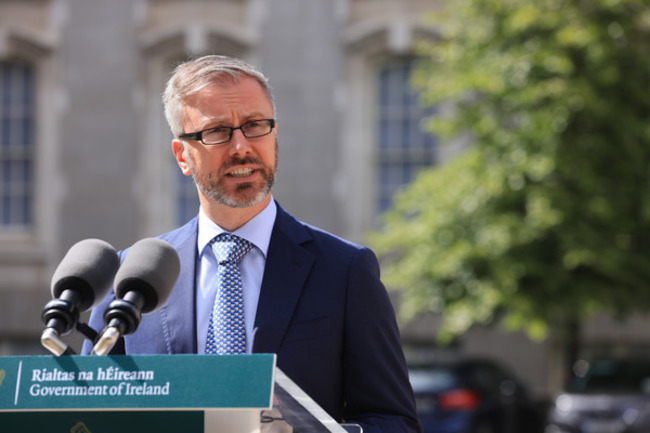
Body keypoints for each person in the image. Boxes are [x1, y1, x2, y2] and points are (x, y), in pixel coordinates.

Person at [83, 55, 421, 433]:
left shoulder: (344, 270)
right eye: (217, 131)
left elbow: (395, 423)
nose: (241, 146)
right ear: (182, 155)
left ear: (274, 134)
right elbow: (86, 416)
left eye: (255, 125)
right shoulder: (131, 279)